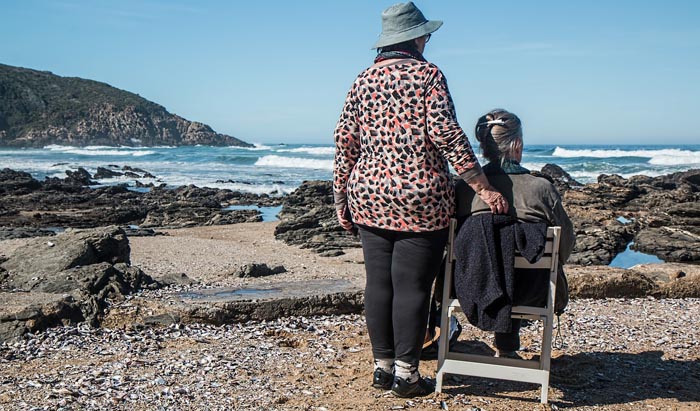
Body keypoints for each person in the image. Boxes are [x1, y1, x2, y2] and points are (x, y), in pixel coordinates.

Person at [333, 2, 508, 398]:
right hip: (421, 196)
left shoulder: (362, 80)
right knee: (412, 286)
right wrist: (482, 186)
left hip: (369, 193)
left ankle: (382, 368)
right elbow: (447, 134)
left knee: (378, 283)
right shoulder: (428, 75)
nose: (427, 39)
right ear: (415, 37)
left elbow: (345, 142)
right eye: (425, 34)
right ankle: (406, 375)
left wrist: (341, 197)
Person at [454, 108, 576, 358]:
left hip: (469, 287)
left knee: (491, 256)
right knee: (520, 264)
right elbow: (565, 245)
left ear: (484, 147)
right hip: (532, 291)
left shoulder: (465, 189)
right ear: (517, 144)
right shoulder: (541, 189)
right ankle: (508, 348)